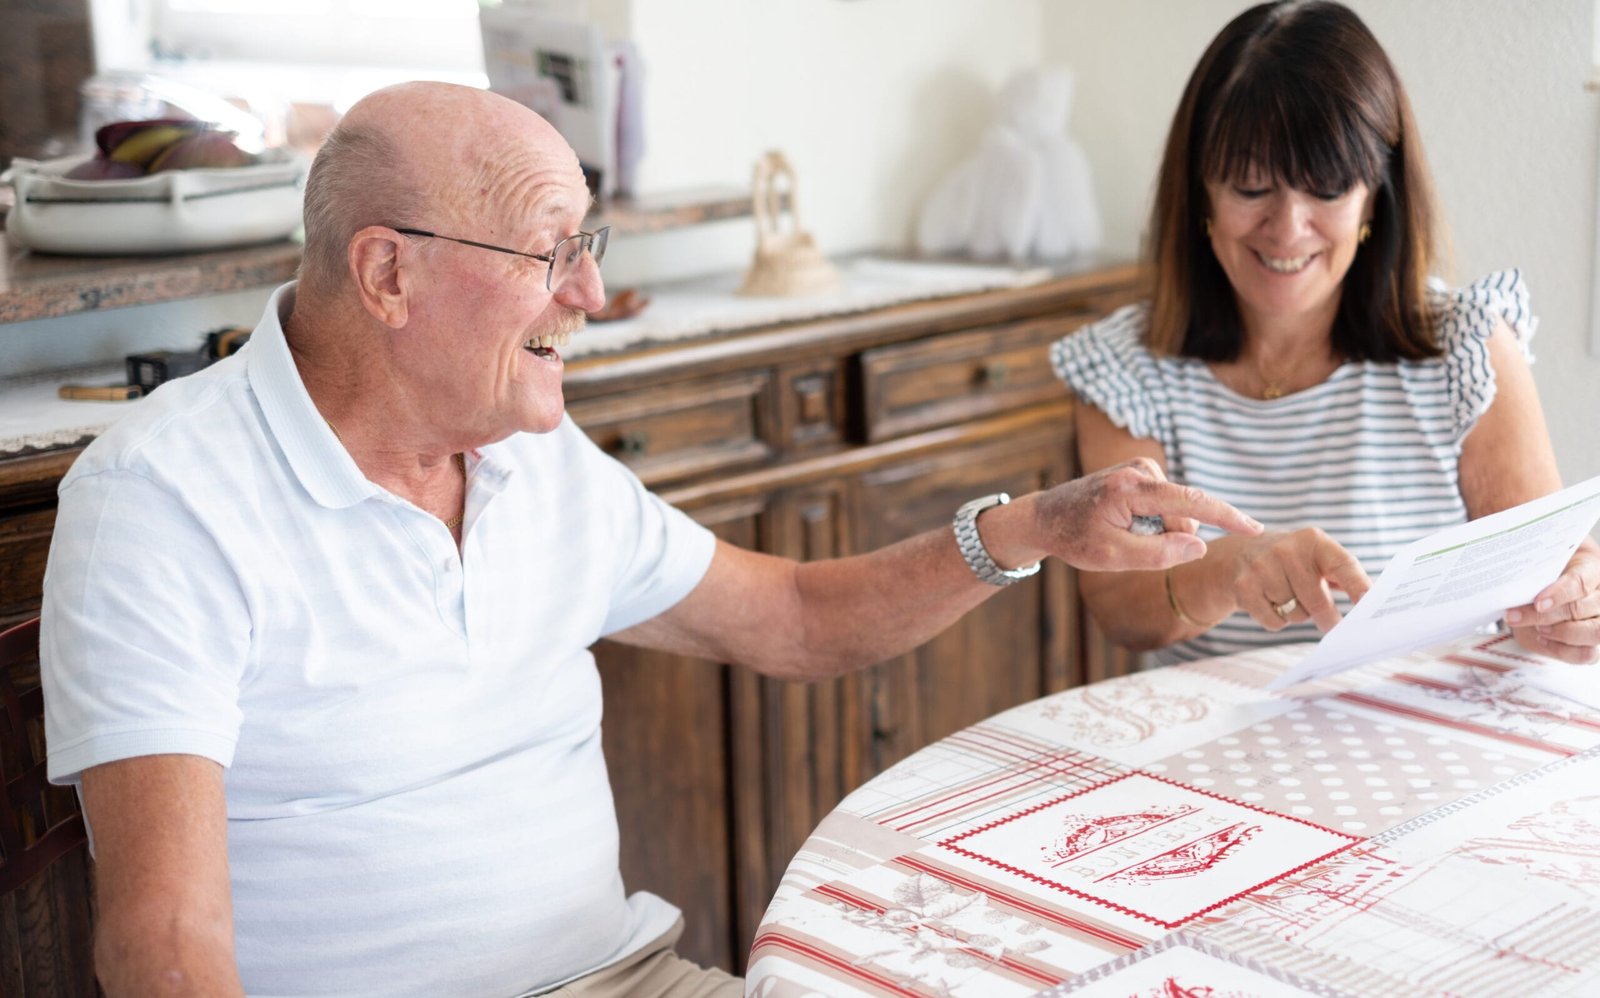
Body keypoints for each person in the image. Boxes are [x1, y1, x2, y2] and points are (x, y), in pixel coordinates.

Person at [40, 81, 1260, 997]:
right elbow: (164, 943)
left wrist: (1034, 526)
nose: (587, 292)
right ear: (387, 273)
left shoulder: (531, 457)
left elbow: (791, 616)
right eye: (548, 251)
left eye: (589, 246)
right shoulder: (163, 497)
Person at [1051, 0, 1600, 668]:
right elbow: (1122, 611)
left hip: (1426, 736)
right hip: (1209, 749)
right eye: (1251, 186)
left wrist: (1577, 595)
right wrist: (1231, 569)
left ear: (1376, 196)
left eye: (1329, 189)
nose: (1287, 229)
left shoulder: (1467, 349)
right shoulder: (1124, 369)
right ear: (1201, 190)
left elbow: (1549, 565)